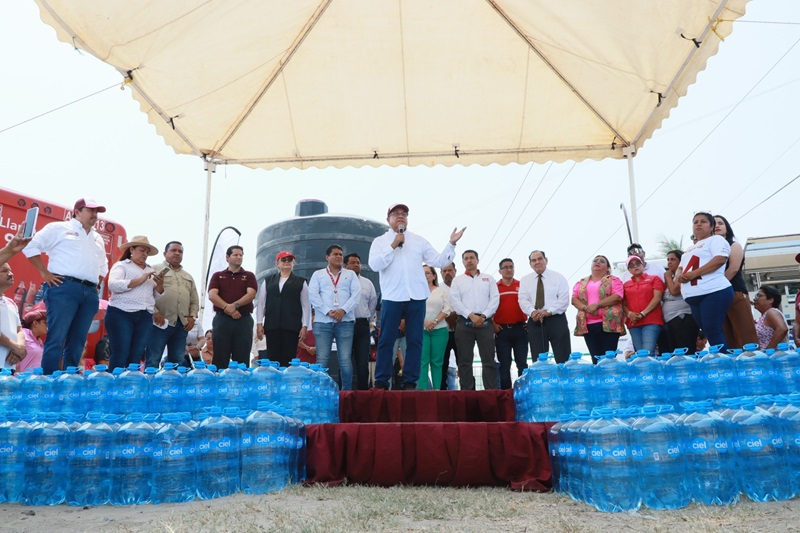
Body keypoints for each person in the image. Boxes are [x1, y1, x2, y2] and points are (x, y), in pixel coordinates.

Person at [368, 203, 464, 390]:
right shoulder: (380, 241)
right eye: (396, 213)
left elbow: (438, 260)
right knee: (387, 340)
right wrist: (393, 245)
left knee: (415, 340)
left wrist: (451, 244)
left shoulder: (418, 240)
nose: (401, 216)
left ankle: (410, 382)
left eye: (404, 214)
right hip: (392, 297)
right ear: (388, 219)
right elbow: (374, 265)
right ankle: (381, 381)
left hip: (417, 297)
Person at [23, 198, 109, 374]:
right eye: (90, 210)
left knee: (78, 340)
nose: (95, 214)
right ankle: (48, 379)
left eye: (96, 212)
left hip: (89, 292)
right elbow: (30, 246)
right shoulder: (59, 228)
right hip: (64, 287)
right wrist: (44, 273)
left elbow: (103, 266)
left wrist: (96, 286)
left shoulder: (98, 237)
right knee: (57, 337)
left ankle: (70, 379)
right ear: (77, 212)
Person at [675, 212, 734, 352]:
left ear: (712, 226)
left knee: (713, 329)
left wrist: (694, 274)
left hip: (713, 291)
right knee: (708, 331)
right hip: (694, 296)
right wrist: (679, 276)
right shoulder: (689, 249)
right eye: (695, 222)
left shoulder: (716, 240)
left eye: (703, 221)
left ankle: (724, 361)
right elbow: (680, 268)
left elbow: (720, 259)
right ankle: (720, 358)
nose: (699, 224)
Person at [105, 236, 164, 370]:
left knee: (136, 355)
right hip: (121, 313)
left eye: (147, 252)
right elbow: (113, 285)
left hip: (145, 315)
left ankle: (130, 381)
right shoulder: (122, 265)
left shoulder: (150, 270)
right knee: (121, 353)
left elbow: (155, 296)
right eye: (142, 250)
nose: (145, 254)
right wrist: (141, 279)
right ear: (132, 249)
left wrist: (160, 285)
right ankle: (116, 381)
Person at [308, 244, 361, 390]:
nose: (339, 257)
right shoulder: (318, 274)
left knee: (345, 358)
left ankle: (346, 392)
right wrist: (328, 311)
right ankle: (321, 391)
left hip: (345, 321)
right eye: (335, 254)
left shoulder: (350, 275)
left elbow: (356, 295)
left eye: (340, 254)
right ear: (327, 257)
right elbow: (313, 295)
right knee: (322, 358)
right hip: (323, 321)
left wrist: (343, 310)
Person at [449, 250, 499, 390]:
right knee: (464, 360)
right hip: (464, 321)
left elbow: (495, 299)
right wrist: (471, 315)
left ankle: (490, 391)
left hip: (485, 322)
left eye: (472, 258)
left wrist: (483, 316)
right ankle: (467, 392)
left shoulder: (488, 278)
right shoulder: (457, 280)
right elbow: (455, 301)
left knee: (488, 359)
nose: (469, 260)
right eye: (466, 258)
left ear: (477, 260)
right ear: (463, 262)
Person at [148, 241, 200, 368]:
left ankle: (174, 382)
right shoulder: (153, 270)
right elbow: (145, 294)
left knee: (177, 361)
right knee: (153, 359)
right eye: (173, 250)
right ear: (165, 253)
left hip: (181, 325)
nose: (177, 253)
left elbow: (194, 299)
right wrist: (155, 312)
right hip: (159, 323)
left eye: (180, 251)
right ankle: (150, 381)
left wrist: (192, 316)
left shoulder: (188, 276)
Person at [255, 250, 311, 367]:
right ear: (277, 263)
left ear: (293, 263)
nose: (286, 262)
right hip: (272, 325)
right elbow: (261, 303)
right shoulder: (268, 281)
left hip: (291, 326)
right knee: (273, 359)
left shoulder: (301, 282)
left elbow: (306, 305)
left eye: (289, 260)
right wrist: (259, 323)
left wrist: (305, 325)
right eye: (283, 259)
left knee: (289, 358)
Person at [208, 245, 258, 369]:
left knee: (242, 357)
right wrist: (228, 309)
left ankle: (240, 380)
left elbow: (251, 294)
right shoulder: (218, 275)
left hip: (243, 320)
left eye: (241, 255)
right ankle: (219, 380)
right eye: (235, 254)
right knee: (220, 356)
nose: (239, 257)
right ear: (227, 257)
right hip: (222, 320)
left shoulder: (249, 275)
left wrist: (235, 305)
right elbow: (212, 295)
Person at [714, 215, 759, 349]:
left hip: (735, 292)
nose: (717, 226)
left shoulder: (734, 245)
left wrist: (715, 287)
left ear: (727, 228)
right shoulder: (708, 249)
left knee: (746, 338)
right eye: (714, 223)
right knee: (727, 340)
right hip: (717, 298)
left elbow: (733, 269)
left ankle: (753, 362)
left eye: (721, 223)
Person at [518, 250, 571, 363]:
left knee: (563, 357)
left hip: (556, 320)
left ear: (546, 260)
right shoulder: (525, 280)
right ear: (530, 264)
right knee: (539, 360)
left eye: (540, 259)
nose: (537, 262)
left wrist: (548, 311)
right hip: (535, 321)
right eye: (533, 260)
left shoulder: (558, 277)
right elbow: (523, 300)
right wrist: (533, 312)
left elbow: (563, 300)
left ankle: (563, 375)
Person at [571, 255, 624, 363]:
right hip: (588, 325)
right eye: (595, 260)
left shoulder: (614, 280)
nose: (598, 262)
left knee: (609, 358)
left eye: (602, 261)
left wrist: (597, 305)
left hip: (609, 323)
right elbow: (574, 299)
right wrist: (586, 308)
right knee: (595, 358)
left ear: (608, 268)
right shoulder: (581, 282)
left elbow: (617, 296)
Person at [494, 258, 530, 388]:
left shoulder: (522, 286)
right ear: (500, 271)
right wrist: (493, 324)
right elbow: (488, 306)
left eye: (511, 267)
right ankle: (506, 394)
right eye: (505, 267)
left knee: (522, 363)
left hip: (521, 329)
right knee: (504, 365)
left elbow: (532, 303)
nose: (508, 270)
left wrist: (531, 321)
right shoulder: (495, 287)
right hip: (502, 330)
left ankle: (523, 391)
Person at [344, 252, 378, 390]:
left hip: (362, 325)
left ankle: (363, 393)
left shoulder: (367, 283)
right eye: (352, 262)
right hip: (344, 325)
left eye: (358, 262)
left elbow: (373, 303)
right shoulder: (340, 283)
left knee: (362, 362)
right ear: (345, 265)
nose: (356, 265)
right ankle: (343, 392)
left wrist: (367, 318)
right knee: (344, 361)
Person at [622, 255, 665, 355]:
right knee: (640, 354)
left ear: (643, 265)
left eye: (637, 263)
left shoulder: (654, 279)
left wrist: (643, 313)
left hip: (651, 320)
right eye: (631, 265)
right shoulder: (625, 285)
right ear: (629, 270)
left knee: (648, 352)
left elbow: (657, 298)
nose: (635, 266)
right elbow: (623, 303)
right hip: (633, 322)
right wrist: (629, 314)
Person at [418, 265, 451, 390]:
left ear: (434, 275)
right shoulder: (415, 291)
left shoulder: (441, 291)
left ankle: (437, 389)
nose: (425, 275)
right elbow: (413, 310)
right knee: (422, 361)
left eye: (427, 273)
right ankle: (422, 390)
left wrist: (435, 321)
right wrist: (424, 322)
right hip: (421, 330)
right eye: (422, 273)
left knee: (437, 362)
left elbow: (447, 309)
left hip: (440, 330)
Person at [662, 249, 699, 353]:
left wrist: (668, 277)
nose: (669, 262)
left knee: (685, 348)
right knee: (675, 350)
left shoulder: (684, 273)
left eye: (673, 259)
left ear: (681, 261)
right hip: (670, 318)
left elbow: (674, 291)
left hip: (682, 316)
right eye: (668, 260)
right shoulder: (671, 276)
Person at [0, 262, 26, 368]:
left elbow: (19, 330)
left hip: (8, 368)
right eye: (4, 271)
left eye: (10, 270)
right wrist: (15, 346)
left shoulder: (11, 302)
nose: (10, 274)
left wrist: (20, 348)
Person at [440, 262, 459, 390]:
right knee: (442, 363)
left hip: (460, 330)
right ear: (441, 273)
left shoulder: (461, 286)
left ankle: (468, 391)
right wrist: (448, 316)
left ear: (455, 271)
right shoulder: (437, 288)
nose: (447, 273)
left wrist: (455, 315)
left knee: (463, 363)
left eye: (450, 270)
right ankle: (441, 391)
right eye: (444, 271)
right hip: (442, 330)